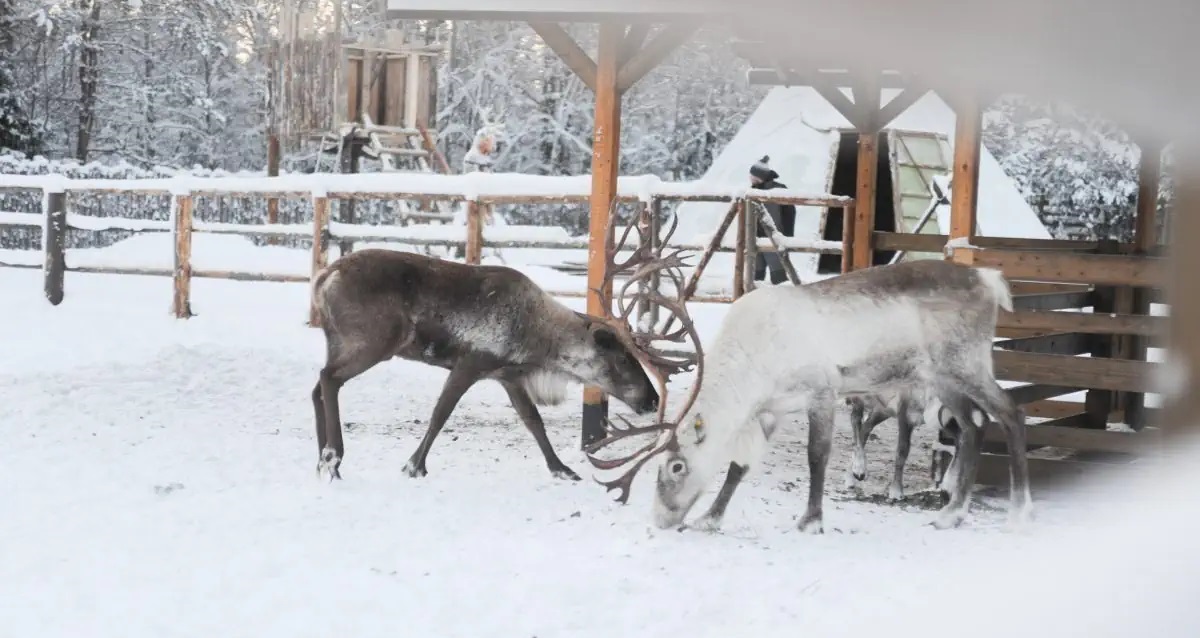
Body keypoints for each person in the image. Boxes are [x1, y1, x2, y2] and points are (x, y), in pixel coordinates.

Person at [749, 155, 797, 284]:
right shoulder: (753, 191)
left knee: (778, 277)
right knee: (754, 277)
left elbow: (789, 214)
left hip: (775, 237)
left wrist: (786, 237)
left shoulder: (778, 190)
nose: (750, 178)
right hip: (756, 238)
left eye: (753, 176)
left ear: (760, 177)